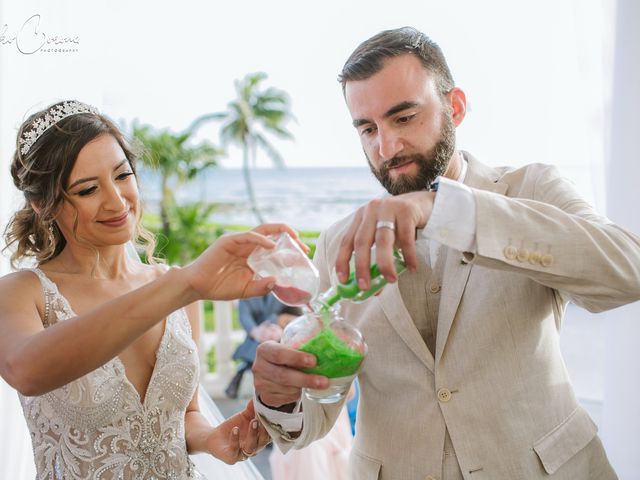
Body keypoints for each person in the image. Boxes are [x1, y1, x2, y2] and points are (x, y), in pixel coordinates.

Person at [251, 27, 640, 479]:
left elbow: (628, 270)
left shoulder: (532, 189)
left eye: (404, 118)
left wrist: (446, 208)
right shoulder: (340, 242)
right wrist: (280, 399)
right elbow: (318, 412)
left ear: (454, 107)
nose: (386, 147)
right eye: (367, 128)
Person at [0, 100, 303, 479]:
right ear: (42, 203)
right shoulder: (20, 294)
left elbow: (184, 417)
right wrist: (186, 284)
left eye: (123, 176)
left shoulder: (171, 287)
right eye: (88, 189)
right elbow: (26, 370)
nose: (116, 200)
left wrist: (213, 438)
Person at [225, 296, 300, 399]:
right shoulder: (246, 296)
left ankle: (240, 372)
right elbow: (244, 317)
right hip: (256, 335)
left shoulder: (281, 290)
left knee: (266, 345)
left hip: (280, 332)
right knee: (259, 345)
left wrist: (276, 322)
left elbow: (293, 311)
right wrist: (257, 332)